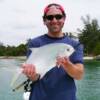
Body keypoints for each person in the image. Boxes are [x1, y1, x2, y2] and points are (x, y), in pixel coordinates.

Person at [22, 3, 84, 100]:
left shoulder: (75, 45)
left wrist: (67, 64)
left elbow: (79, 75)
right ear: (44, 20)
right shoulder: (34, 43)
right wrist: (31, 74)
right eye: (50, 17)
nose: (54, 20)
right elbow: (35, 77)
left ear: (64, 18)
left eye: (58, 17)